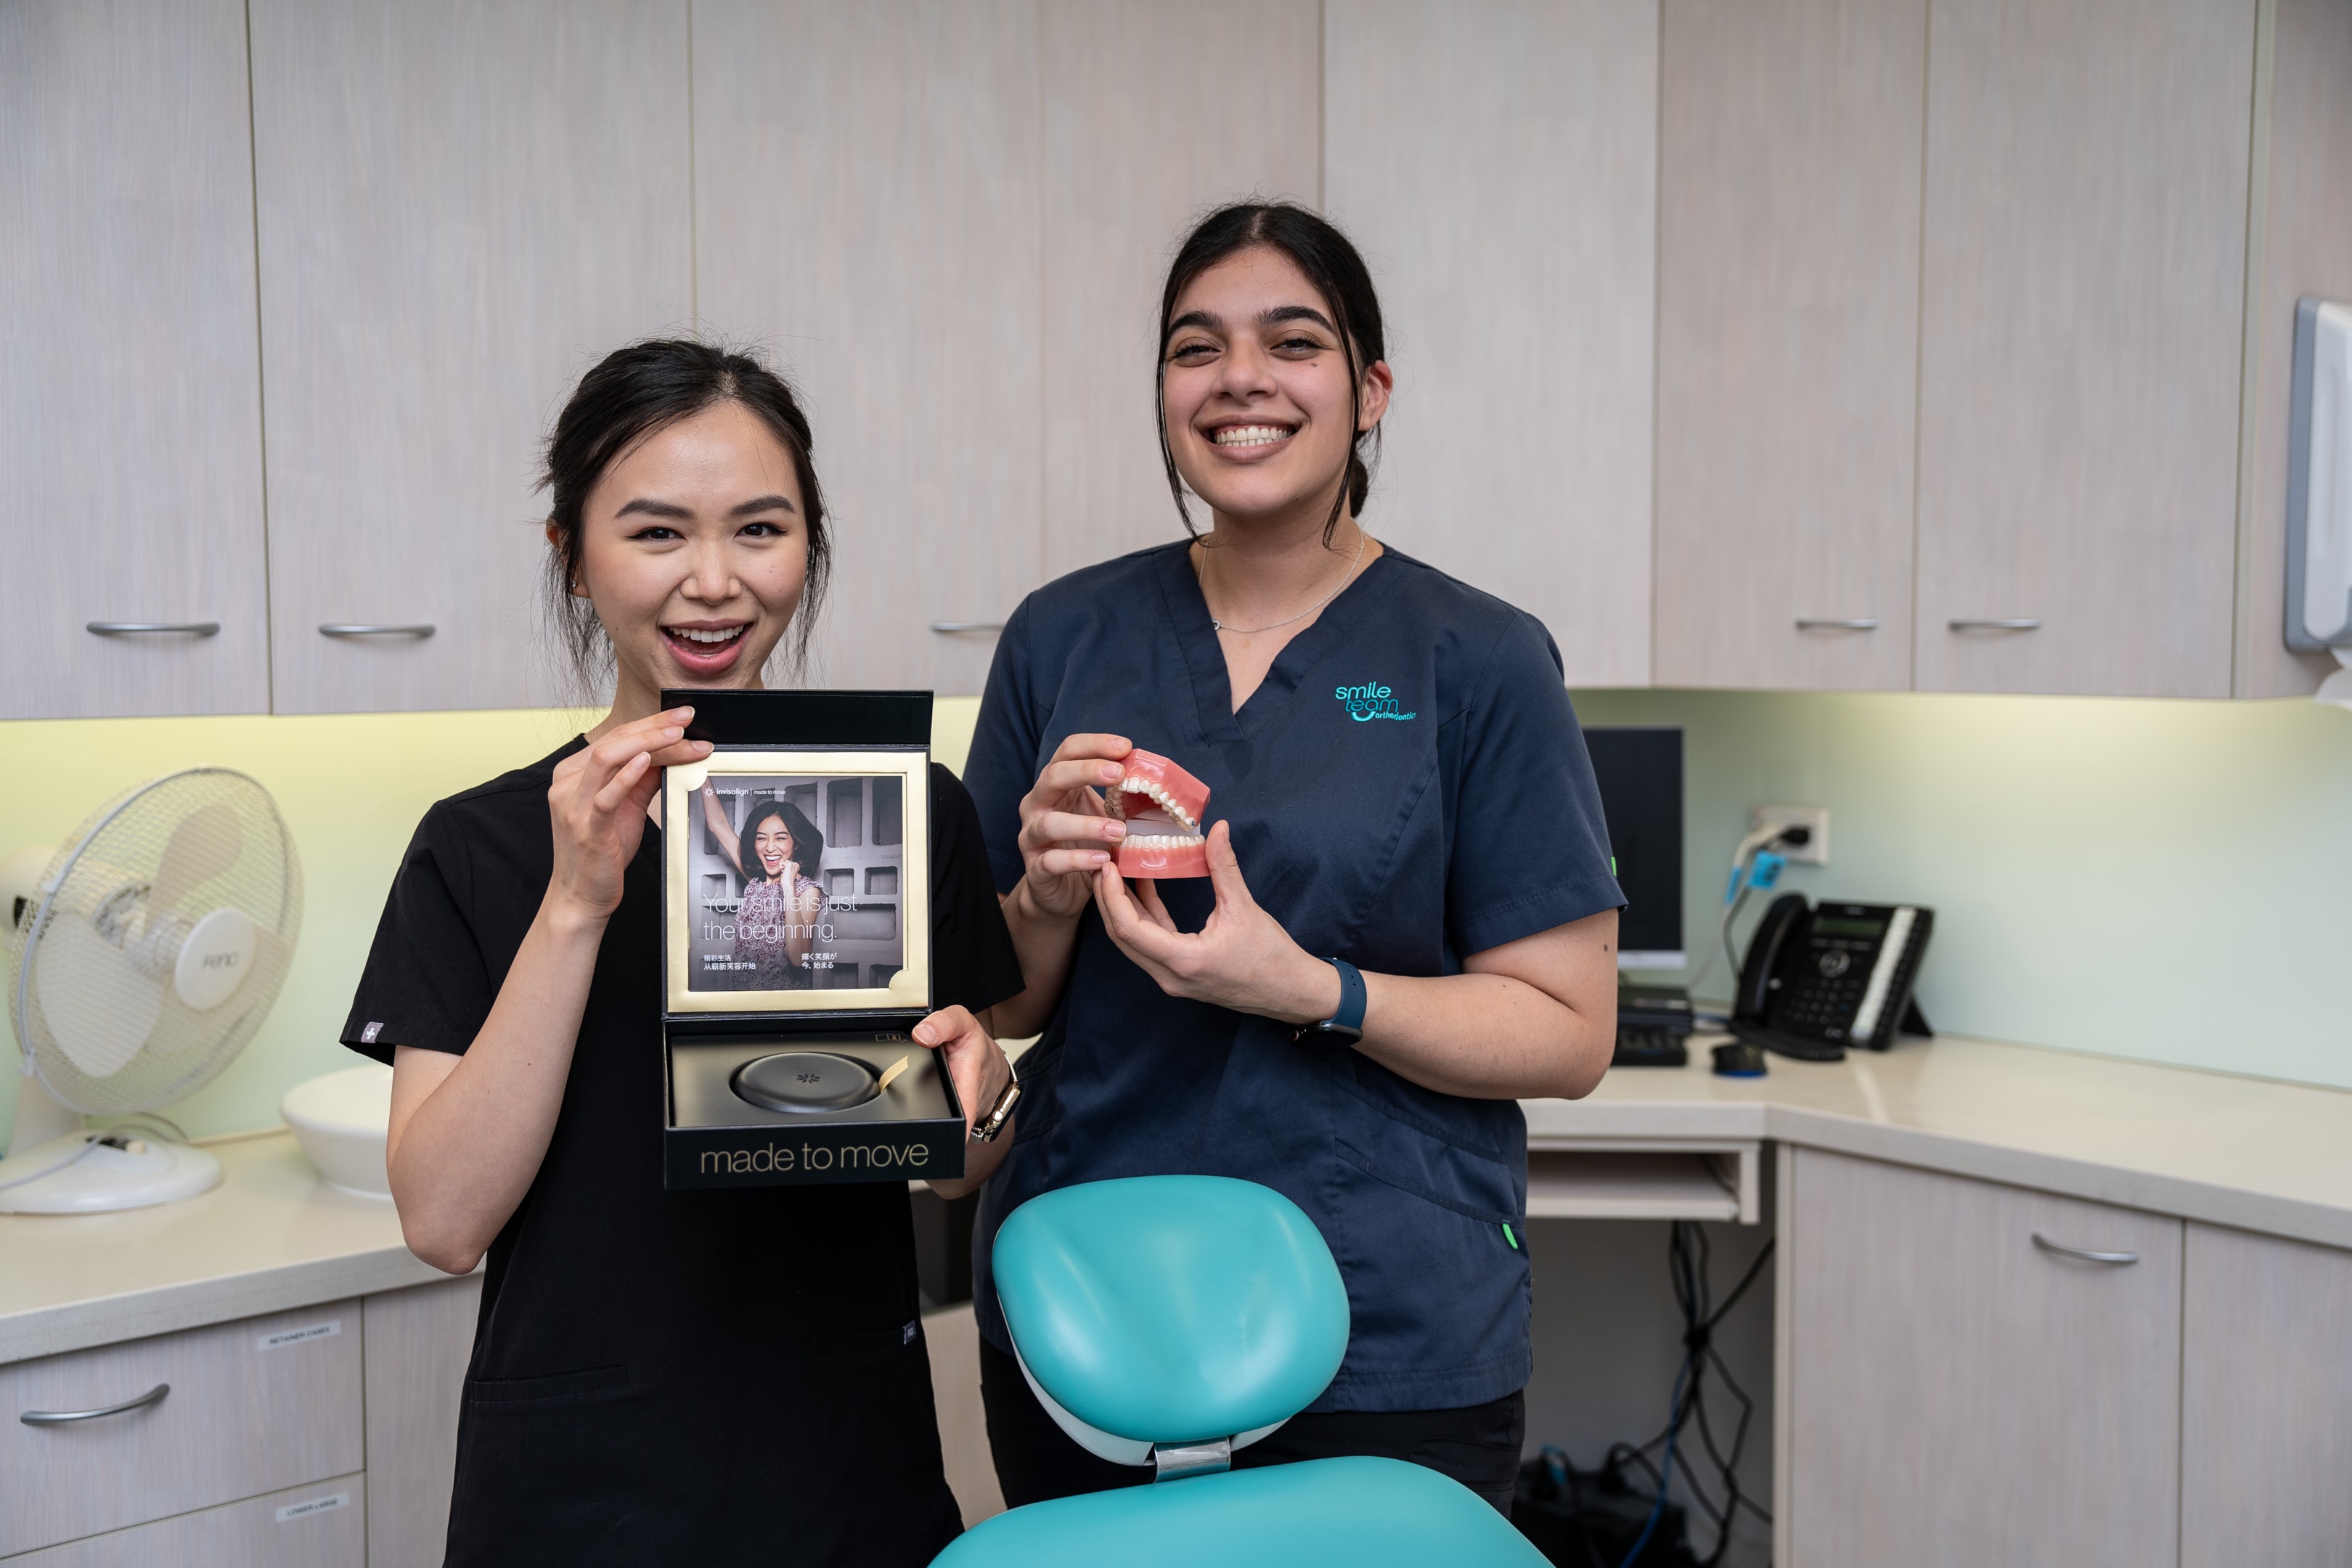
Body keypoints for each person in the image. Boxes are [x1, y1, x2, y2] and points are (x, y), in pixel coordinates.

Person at [962, 203, 1625, 1515]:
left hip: (1388, 1323)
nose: (1240, 379)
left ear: (1370, 389)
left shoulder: (1477, 657)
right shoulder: (1061, 636)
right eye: (1195, 347)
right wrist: (1039, 896)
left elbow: (1569, 1033)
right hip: (1096, 1300)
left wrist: (1312, 989)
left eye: (1293, 341)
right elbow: (1004, 1007)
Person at [340, 340, 1040, 1564]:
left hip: (844, 1461)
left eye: (759, 531)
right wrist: (575, 902)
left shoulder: (903, 813)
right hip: (577, 1483)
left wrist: (981, 1108)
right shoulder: (478, 850)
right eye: (657, 533)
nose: (713, 583)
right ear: (572, 559)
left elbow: (956, 1168)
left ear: (809, 545)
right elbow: (445, 1221)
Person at [699, 788, 825, 988]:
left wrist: (788, 886)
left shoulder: (808, 891)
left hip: (781, 1005)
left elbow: (799, 959)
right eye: (761, 838)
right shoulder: (755, 883)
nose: (770, 847)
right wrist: (701, 774)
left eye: (780, 838)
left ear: (796, 844)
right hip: (742, 998)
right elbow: (718, 825)